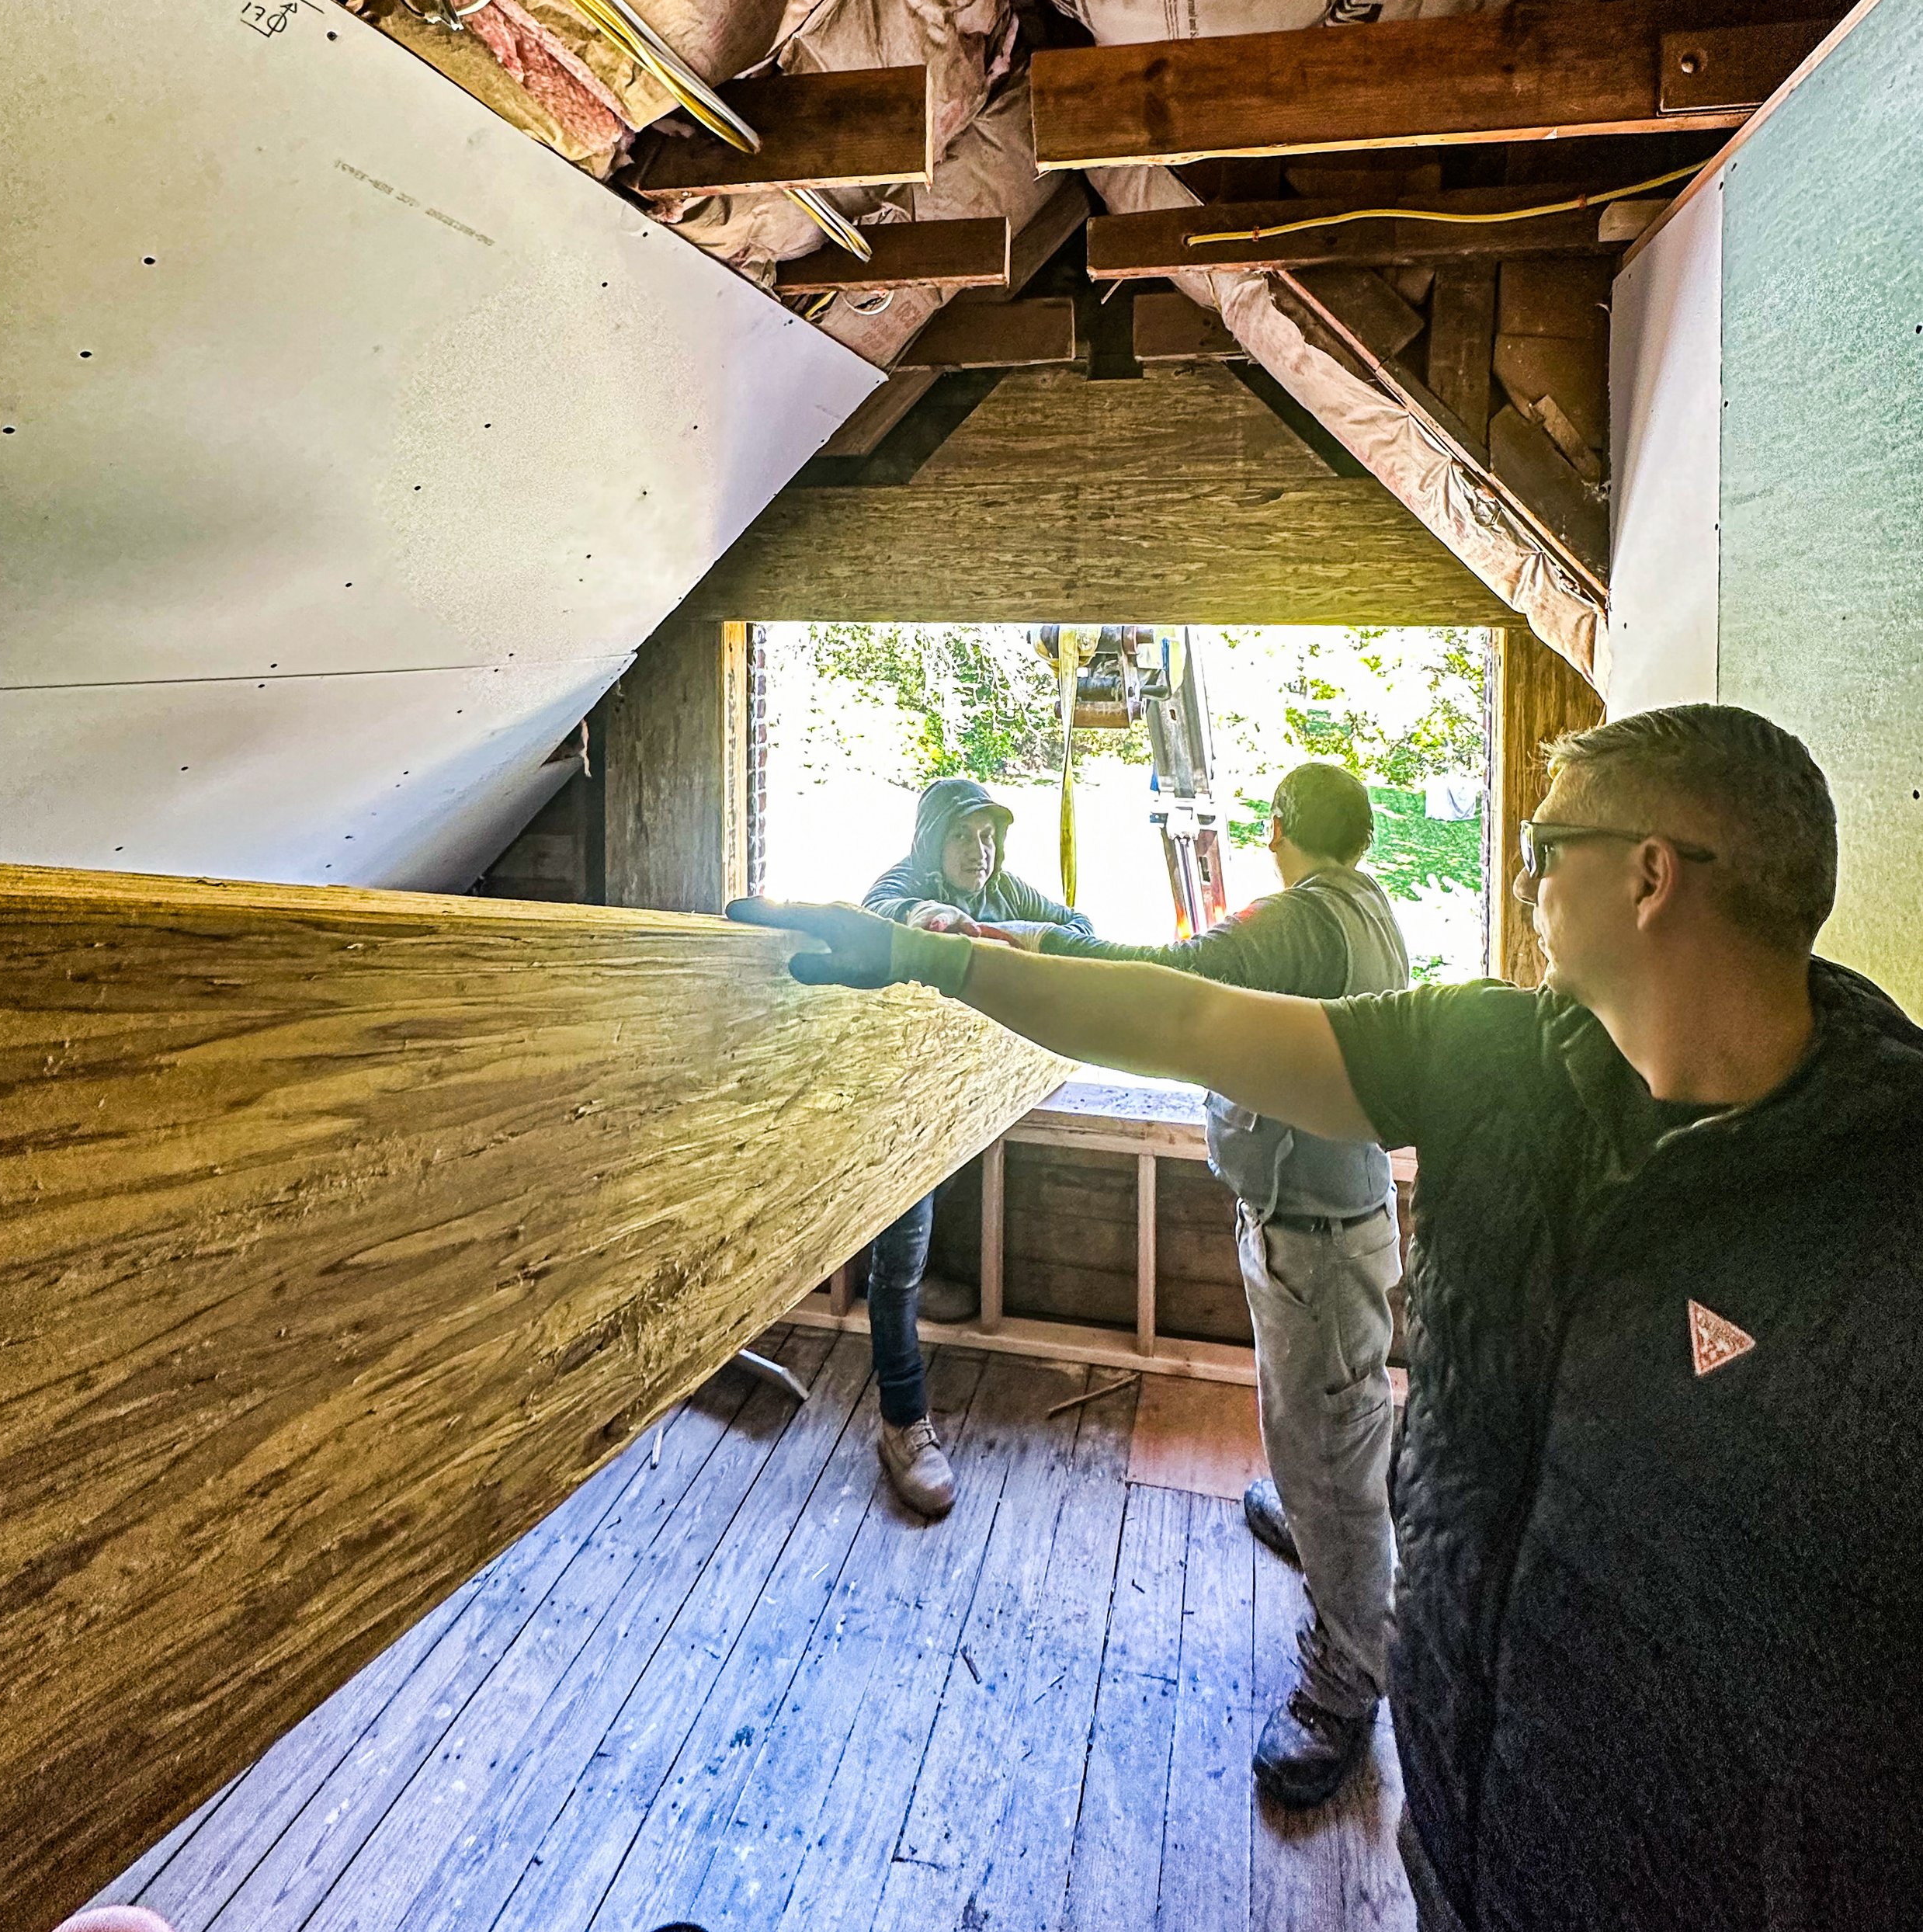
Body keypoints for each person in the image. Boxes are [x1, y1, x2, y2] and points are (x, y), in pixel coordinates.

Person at [732, 705, 1923, 1931]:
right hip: (1466, 1817)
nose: (1524, 881)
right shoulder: (1495, 1060)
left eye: (1545, 848)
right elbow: (1189, 1020)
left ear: (1650, 874)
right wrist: (934, 959)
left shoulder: (1887, 1197)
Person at [1029, 759, 1409, 1805]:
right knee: (1322, 1420)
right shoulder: (1365, 905)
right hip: (1333, 1215)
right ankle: (1315, 1510)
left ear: (1279, 825)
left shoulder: (1299, 918)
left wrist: (1035, 945)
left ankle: (1346, 1681)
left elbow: (1169, 979)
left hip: (1316, 1234)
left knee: (1331, 1448)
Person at [857, 776, 1094, 1517]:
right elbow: (878, 912)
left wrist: (1016, 938)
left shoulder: (1003, 890)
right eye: (963, 836)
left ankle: (924, 1285)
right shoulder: (904, 883)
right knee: (898, 1256)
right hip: (901, 1098)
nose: (979, 851)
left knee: (941, 1219)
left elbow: (1077, 926)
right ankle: (901, 1421)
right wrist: (934, 920)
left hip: (963, 1091)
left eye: (988, 837)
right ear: (932, 840)